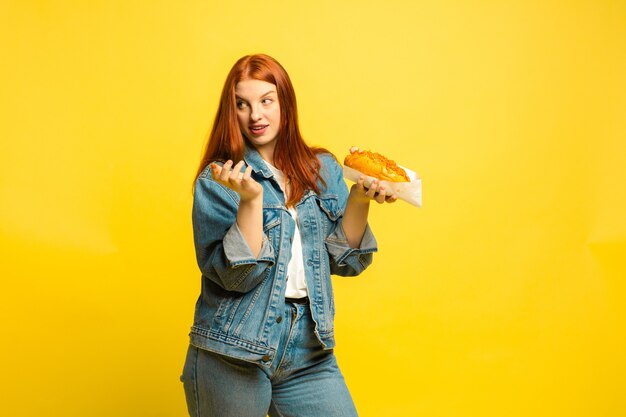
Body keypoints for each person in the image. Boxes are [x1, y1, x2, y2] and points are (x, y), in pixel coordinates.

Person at [180, 53, 396, 417]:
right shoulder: (220, 179)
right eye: (242, 105)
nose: (256, 116)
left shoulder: (322, 168)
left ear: (285, 102)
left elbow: (347, 261)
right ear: (231, 112)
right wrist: (250, 200)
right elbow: (238, 276)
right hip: (233, 351)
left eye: (266, 101)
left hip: (309, 349)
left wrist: (359, 197)